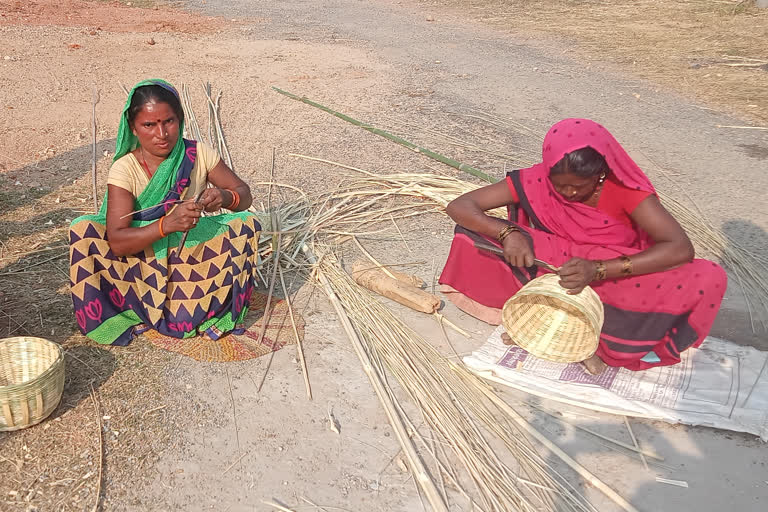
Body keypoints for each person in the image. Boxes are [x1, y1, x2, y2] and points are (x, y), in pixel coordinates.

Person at [439, 118, 727, 373]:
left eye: (580, 185)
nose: (569, 193)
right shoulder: (536, 179)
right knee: (471, 235)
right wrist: (507, 233)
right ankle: (533, 317)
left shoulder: (627, 192)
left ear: (600, 173)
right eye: (560, 185)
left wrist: (598, 270)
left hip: (611, 273)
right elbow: (461, 206)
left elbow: (679, 248)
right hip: (552, 262)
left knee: (708, 277)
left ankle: (593, 341)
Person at [69, 79, 261, 346]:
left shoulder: (197, 154)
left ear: (179, 120)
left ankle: (210, 305)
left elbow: (244, 195)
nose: (161, 133)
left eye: (168, 121)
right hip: (138, 258)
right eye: (149, 125)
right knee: (83, 229)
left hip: (189, 254)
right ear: (134, 128)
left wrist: (226, 196)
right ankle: (124, 310)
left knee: (246, 223)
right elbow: (117, 242)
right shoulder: (125, 169)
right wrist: (165, 225)